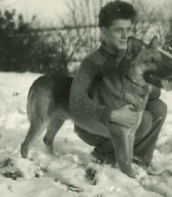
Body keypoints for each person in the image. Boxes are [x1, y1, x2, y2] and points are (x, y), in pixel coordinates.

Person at [69, 1, 167, 173]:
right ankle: (104, 154)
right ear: (104, 32)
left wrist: (152, 82)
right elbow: (76, 101)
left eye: (128, 30)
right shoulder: (92, 62)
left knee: (158, 108)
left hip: (122, 120)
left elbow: (152, 95)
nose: (125, 36)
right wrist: (111, 114)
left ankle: (139, 157)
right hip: (93, 124)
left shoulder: (134, 57)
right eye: (118, 30)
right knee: (142, 119)